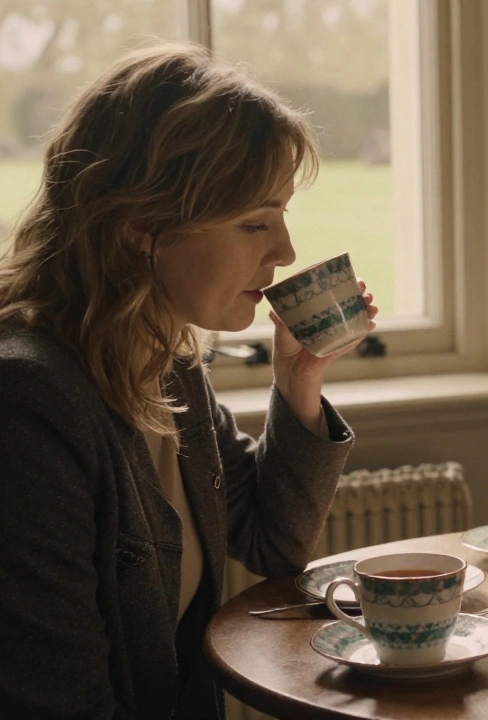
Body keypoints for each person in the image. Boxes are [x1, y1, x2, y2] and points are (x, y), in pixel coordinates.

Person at [0, 43, 377, 718]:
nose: (286, 251)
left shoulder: (162, 358)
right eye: (255, 221)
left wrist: (299, 379)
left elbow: (272, 543)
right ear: (142, 229)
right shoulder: (26, 409)